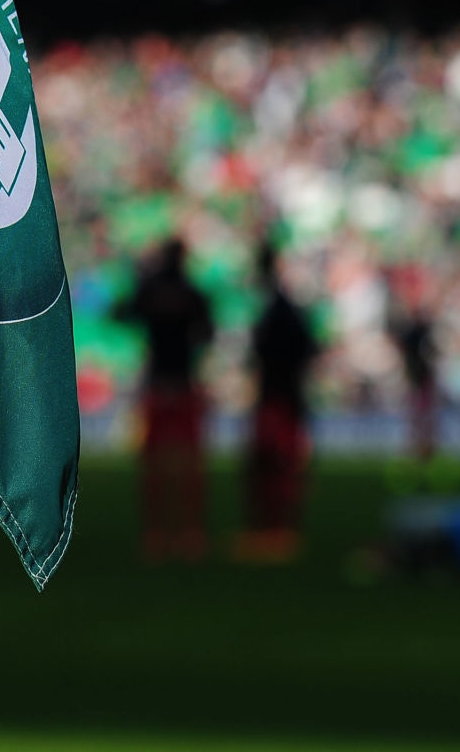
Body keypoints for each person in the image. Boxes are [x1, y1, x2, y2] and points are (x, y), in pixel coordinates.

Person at [113, 237, 215, 561]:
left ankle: (155, 533)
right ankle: (189, 533)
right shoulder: (194, 294)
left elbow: (119, 312)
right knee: (189, 465)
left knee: (154, 464)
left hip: (157, 383)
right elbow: (207, 333)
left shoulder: (150, 289)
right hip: (183, 382)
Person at [240, 242, 319, 562]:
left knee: (272, 466)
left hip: (278, 399)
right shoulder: (287, 310)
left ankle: (273, 529)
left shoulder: (273, 311)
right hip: (288, 398)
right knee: (281, 467)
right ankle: (279, 528)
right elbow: (310, 350)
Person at [388, 265, 439, 464]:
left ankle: (422, 451)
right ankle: (419, 451)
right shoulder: (416, 329)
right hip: (416, 378)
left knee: (421, 418)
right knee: (418, 418)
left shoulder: (419, 330)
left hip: (420, 378)